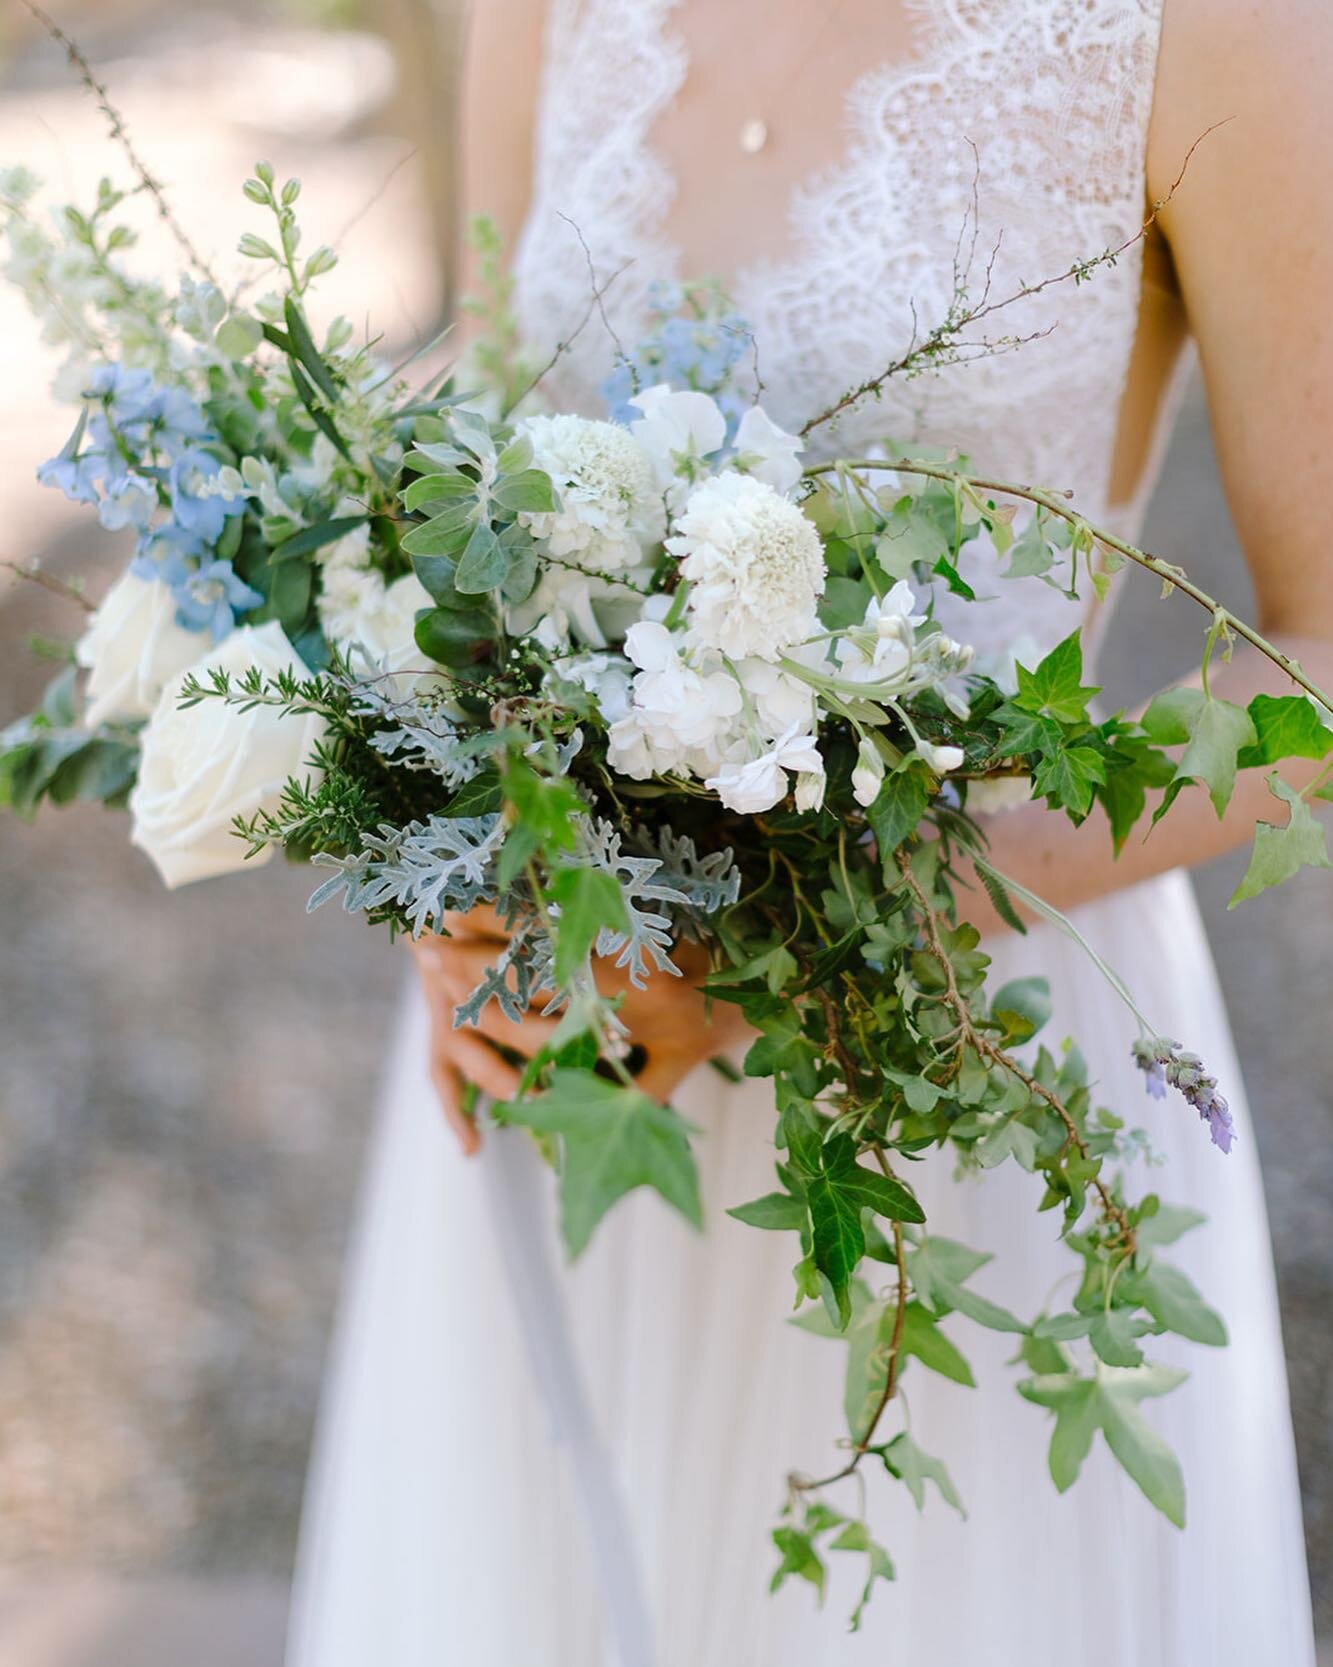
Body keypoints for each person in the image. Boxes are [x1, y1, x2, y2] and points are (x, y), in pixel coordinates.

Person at [287, 2, 1326, 1661]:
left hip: (957, 1085)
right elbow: (472, 502)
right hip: (570, 1046)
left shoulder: (1217, 33)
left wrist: (855, 922)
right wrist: (460, 872)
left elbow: (1320, 661)